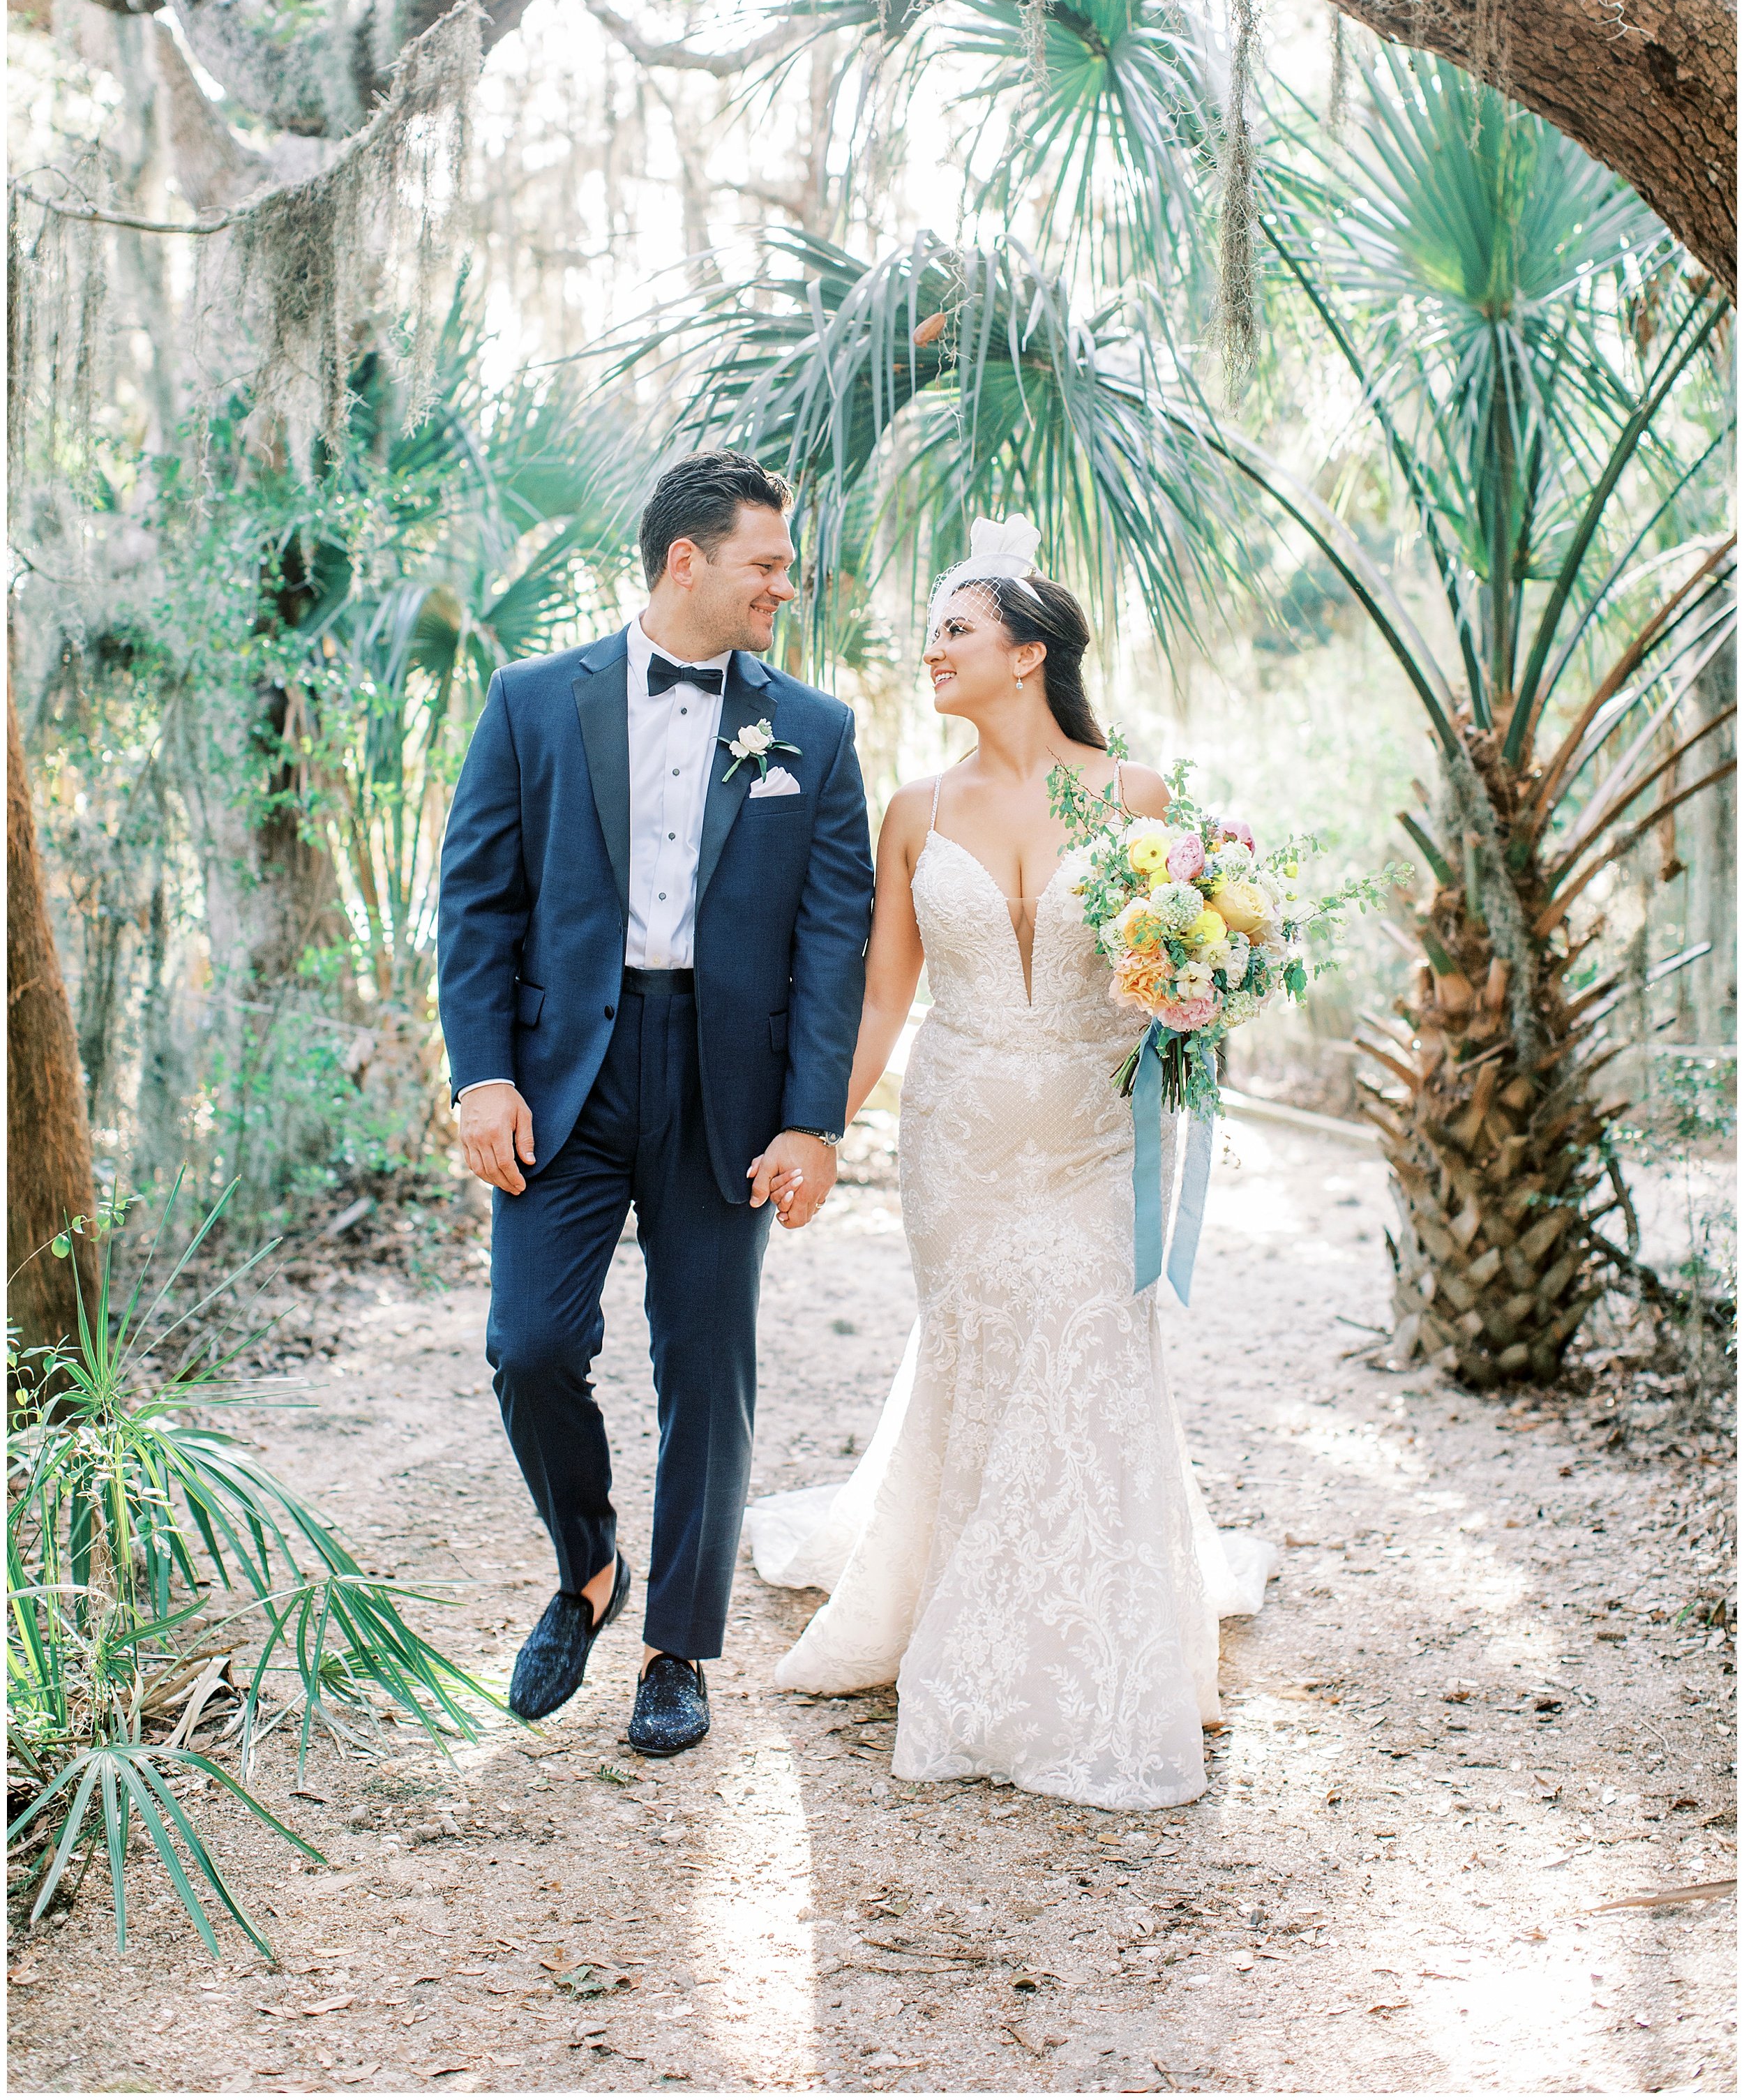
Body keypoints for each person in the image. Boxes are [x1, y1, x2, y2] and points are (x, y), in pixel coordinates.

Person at [746, 517, 1276, 1809]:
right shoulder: (916, 813)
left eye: (955, 630)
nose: (930, 652)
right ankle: (967, 1603)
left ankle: (1086, 1643)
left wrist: (1205, 982)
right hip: (963, 1140)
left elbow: (1186, 977)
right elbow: (881, 1003)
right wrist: (818, 1129)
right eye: (933, 632)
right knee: (986, 1364)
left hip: (1100, 1139)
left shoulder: (1141, 800)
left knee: (1093, 1356)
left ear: (1026, 653)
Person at [437, 451, 874, 1755]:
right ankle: (588, 1566)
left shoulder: (818, 730)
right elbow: (477, 904)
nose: (783, 589)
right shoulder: (529, 702)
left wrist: (814, 1118)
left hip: (726, 1087)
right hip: (562, 1075)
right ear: (686, 562)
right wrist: (482, 1073)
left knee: (705, 1362)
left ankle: (677, 1643)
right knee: (529, 1348)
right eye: (765, 565)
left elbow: (834, 936)